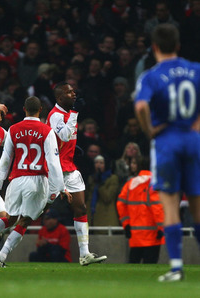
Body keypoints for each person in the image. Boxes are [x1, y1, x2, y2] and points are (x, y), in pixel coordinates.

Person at [134, 24, 200, 281]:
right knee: (197, 206)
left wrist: (150, 130)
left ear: (155, 48)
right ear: (178, 45)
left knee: (170, 205)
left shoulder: (150, 76)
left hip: (167, 142)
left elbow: (141, 106)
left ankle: (176, 267)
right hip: (193, 140)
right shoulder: (195, 69)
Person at [0, 96, 72, 267]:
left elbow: (5, 160)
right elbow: (53, 163)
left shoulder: (13, 129)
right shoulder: (47, 131)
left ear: (24, 109)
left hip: (15, 180)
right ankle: (1, 256)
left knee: (10, 217)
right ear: (40, 110)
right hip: (37, 181)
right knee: (25, 221)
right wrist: (61, 187)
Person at [46, 81, 107, 266]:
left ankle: (84, 254)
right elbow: (64, 135)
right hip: (55, 170)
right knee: (34, 211)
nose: (74, 94)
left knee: (80, 208)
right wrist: (75, 113)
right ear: (59, 97)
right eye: (69, 92)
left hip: (69, 168)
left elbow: (64, 140)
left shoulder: (67, 114)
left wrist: (73, 149)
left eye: (74, 92)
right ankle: (0, 232)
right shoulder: (56, 115)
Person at [117, 158, 165, 264]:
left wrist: (126, 224)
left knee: (133, 268)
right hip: (152, 236)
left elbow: (121, 204)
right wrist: (162, 228)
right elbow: (157, 208)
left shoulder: (130, 184)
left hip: (135, 236)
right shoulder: (154, 183)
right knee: (150, 268)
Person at [86, 155, 119, 228]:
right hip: (91, 216)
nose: (98, 165)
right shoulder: (91, 178)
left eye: (101, 163)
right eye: (96, 162)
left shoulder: (112, 178)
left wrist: (100, 184)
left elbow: (107, 197)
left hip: (106, 218)